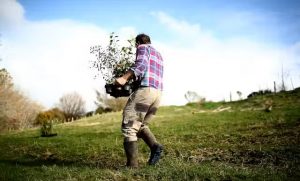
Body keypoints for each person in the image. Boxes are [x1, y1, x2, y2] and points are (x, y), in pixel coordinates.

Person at [115, 33, 164, 168]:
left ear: (137, 43)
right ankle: (155, 147)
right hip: (157, 94)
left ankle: (132, 166)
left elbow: (141, 65)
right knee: (140, 125)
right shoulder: (158, 55)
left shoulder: (142, 48)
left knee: (129, 126)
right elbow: (147, 72)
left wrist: (124, 78)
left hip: (146, 92)